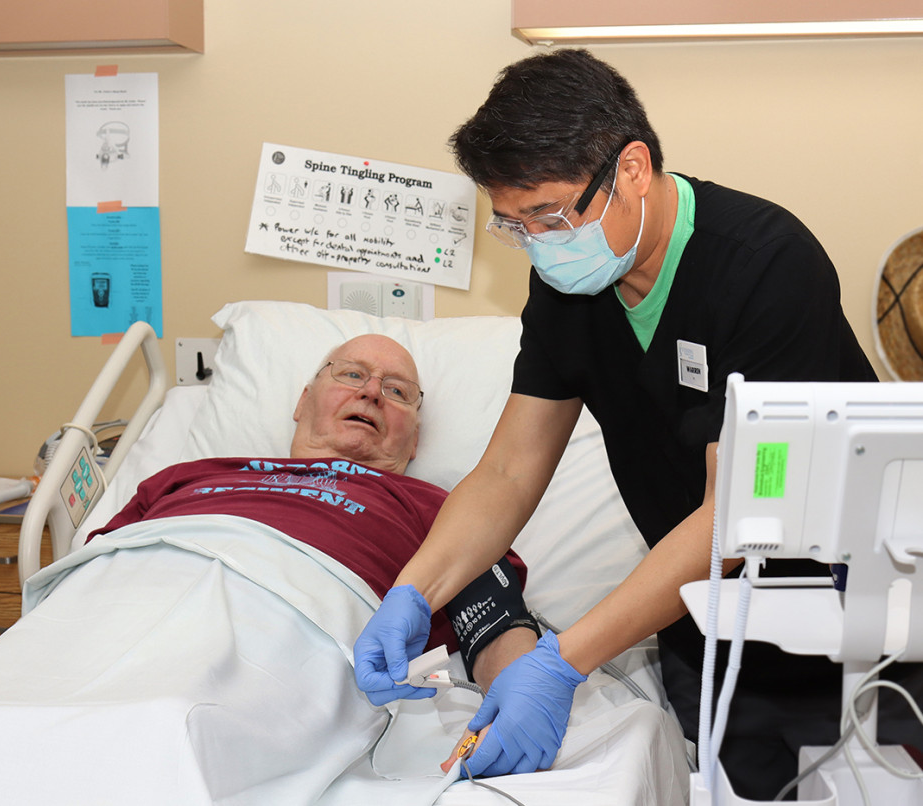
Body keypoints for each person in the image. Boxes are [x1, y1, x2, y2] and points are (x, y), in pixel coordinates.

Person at [353, 49, 923, 800]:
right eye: (514, 225)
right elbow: (507, 472)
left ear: (630, 169)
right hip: (703, 627)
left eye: (551, 216)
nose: (539, 243)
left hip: (854, 617)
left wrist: (562, 661)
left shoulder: (764, 264)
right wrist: (414, 591)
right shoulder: (567, 283)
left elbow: (736, 512)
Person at [0, 334, 538, 804]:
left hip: (298, 609)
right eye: (352, 374)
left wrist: (519, 699)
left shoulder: (444, 509)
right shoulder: (187, 474)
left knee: (168, 726)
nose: (371, 391)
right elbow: (93, 563)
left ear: (414, 439)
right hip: (129, 582)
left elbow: (495, 621)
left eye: (398, 392)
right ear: (303, 401)